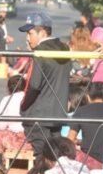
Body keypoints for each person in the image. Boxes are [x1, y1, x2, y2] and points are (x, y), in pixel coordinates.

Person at [19, 12, 72, 157]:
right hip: (58, 114)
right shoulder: (64, 48)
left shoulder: (39, 52)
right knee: (54, 156)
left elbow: (34, 84)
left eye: (30, 33)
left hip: (38, 115)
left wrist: (24, 106)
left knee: (41, 156)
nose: (27, 38)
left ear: (42, 33)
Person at [67, 81, 103, 170]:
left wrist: (80, 143)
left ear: (88, 97)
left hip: (88, 162)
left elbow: (70, 140)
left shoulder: (81, 111)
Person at [0, 75, 30, 162]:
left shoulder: (7, 99)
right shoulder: (30, 98)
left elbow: (0, 125)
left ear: (8, 88)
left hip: (15, 140)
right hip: (31, 138)